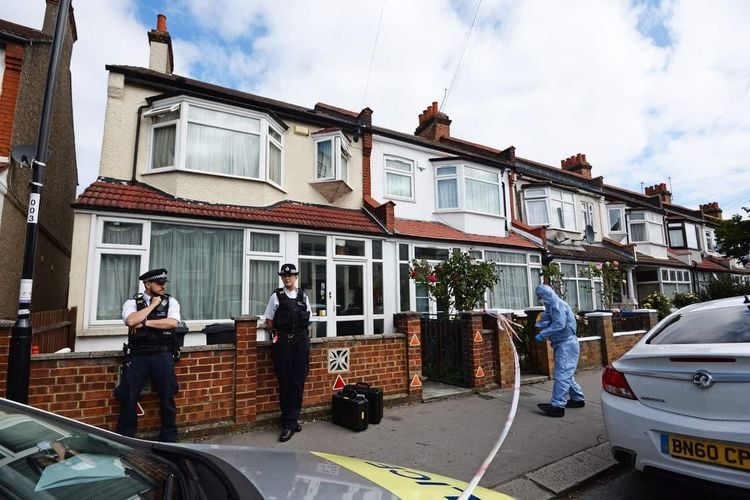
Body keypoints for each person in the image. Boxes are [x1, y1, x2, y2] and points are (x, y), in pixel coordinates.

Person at [116, 268, 181, 442]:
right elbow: (130, 321)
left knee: (168, 396)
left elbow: (172, 323)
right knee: (129, 397)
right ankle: (126, 437)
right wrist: (152, 305)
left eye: (163, 284)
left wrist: (144, 322)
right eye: (159, 284)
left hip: (162, 354)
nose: (162, 287)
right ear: (147, 284)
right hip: (138, 355)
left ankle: (169, 437)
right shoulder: (132, 302)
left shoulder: (171, 302)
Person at [263, 263, 312, 442]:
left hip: (300, 341)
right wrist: (280, 334)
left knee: (298, 380)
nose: (287, 278)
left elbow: (309, 318)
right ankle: (288, 420)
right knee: (284, 380)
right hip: (283, 341)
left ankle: (291, 421)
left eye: (290, 275)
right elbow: (269, 321)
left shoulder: (303, 296)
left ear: (296, 276)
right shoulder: (276, 296)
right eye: (284, 276)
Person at [533, 283, 585, 417]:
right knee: (566, 373)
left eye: (541, 296)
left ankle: (557, 406)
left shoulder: (556, 304)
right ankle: (577, 398)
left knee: (562, 375)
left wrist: (543, 334)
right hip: (563, 343)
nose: (541, 299)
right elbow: (551, 320)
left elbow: (559, 324)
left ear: (547, 294)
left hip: (566, 344)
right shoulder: (553, 305)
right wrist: (542, 323)